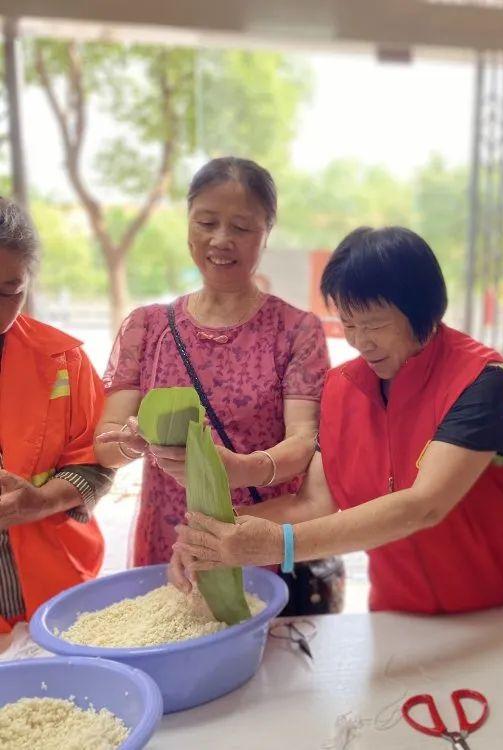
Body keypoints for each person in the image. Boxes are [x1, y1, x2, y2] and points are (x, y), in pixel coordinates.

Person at [172, 227, 503, 625]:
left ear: (422, 311)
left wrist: (282, 545)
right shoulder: (341, 388)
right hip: (399, 611)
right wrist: (213, 536)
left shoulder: (480, 379)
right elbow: (312, 503)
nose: (360, 341)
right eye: (348, 324)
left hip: (499, 612)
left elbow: (424, 505)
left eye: (374, 323)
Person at [95, 157, 330, 568]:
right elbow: (104, 446)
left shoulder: (296, 330)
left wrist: (240, 470)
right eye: (206, 223)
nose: (221, 239)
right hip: (169, 539)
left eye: (241, 227)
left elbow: (305, 440)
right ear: (187, 224)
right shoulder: (146, 327)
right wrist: (131, 441)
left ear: (266, 233)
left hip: (256, 539)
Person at [0, 198, 113, 633]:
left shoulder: (63, 360)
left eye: (10, 291)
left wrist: (41, 502)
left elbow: (96, 460)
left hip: (59, 585)